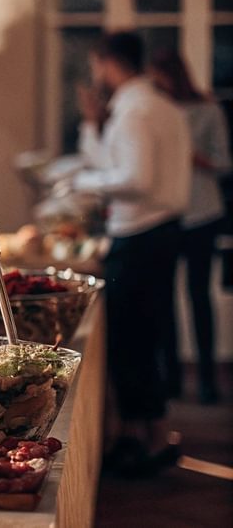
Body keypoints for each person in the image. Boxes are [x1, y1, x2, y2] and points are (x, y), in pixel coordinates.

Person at [71, 31, 192, 477]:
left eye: (95, 66)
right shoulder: (151, 105)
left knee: (133, 340)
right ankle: (140, 436)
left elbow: (134, 178)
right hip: (156, 232)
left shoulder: (138, 109)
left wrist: (80, 185)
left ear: (106, 62)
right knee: (140, 337)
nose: (94, 75)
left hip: (141, 234)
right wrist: (91, 123)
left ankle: (150, 441)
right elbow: (107, 161)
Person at [149, 48, 230, 404]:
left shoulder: (207, 110)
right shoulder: (155, 114)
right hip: (166, 215)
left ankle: (208, 380)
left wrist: (194, 157)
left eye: (160, 77)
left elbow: (225, 163)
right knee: (164, 297)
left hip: (202, 214)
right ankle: (170, 379)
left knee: (199, 296)